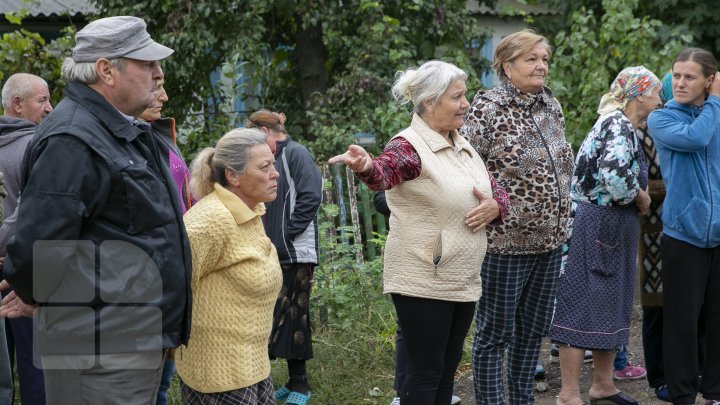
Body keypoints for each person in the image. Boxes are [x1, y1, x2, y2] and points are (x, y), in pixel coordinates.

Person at [0, 16, 192, 404]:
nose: (159, 74)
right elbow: (39, 247)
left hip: (129, 342)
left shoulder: (122, 131)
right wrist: (38, 293)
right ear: (106, 70)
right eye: (147, 64)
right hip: (99, 356)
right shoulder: (73, 138)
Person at [329, 60, 508, 405]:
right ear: (429, 102)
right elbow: (384, 174)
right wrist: (366, 165)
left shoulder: (461, 143)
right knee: (425, 374)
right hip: (424, 275)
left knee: (445, 371)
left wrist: (497, 204)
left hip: (461, 276)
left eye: (464, 95)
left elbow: (493, 187)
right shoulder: (409, 146)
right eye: (457, 97)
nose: (466, 104)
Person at [460, 29, 574, 405]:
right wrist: (496, 199)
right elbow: (467, 167)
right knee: (494, 335)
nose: (541, 65)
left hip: (550, 242)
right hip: (504, 245)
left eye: (544, 59)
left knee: (532, 334)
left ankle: (522, 400)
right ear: (507, 66)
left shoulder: (551, 104)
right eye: (531, 59)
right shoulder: (488, 106)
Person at [548, 66, 662, 405]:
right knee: (582, 302)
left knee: (611, 303)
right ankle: (568, 393)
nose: (660, 101)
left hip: (611, 225)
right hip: (596, 225)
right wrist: (640, 195)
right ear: (639, 94)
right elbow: (614, 177)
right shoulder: (617, 123)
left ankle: (603, 384)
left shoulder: (624, 125)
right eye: (657, 93)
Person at [175, 128, 282, 404]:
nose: (275, 173)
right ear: (232, 176)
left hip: (252, 367)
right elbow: (171, 285)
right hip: (217, 377)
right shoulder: (211, 221)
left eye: (273, 163)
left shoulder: (251, 211)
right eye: (265, 166)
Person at [647, 47, 720, 405]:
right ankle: (682, 394)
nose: (680, 82)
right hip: (683, 234)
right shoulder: (661, 119)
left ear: (709, 80)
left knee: (717, 320)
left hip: (719, 234)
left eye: (690, 76)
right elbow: (696, 139)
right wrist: (716, 102)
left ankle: (716, 392)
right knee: (681, 323)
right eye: (676, 75)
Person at [245, 110, 322, 404]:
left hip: (296, 252)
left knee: (295, 315)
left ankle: (301, 385)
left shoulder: (296, 153)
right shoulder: (267, 157)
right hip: (273, 249)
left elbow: (312, 195)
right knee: (278, 314)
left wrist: (286, 233)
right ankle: (292, 381)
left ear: (265, 131)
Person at [372, 191, 462, 405]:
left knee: (446, 353)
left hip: (452, 261)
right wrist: (427, 205)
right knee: (410, 333)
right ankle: (402, 393)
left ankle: (436, 394)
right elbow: (380, 198)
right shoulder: (408, 157)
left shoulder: (463, 159)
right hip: (413, 259)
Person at [137, 79, 194, 405]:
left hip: (176, 258)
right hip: (146, 266)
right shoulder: (123, 141)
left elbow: (186, 193)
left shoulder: (162, 136)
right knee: (147, 376)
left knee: (164, 374)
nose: (162, 96)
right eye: (153, 89)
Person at [0, 72, 54, 405]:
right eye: (42, 100)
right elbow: (30, 212)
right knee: (38, 365)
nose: (50, 108)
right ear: (17, 104)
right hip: (29, 268)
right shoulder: (38, 145)